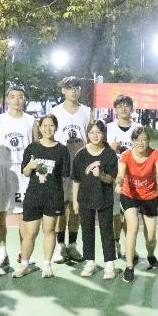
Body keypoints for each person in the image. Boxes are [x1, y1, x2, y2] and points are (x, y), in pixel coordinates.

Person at [13, 114, 71, 278]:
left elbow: (65, 176)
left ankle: (46, 265)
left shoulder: (62, 150)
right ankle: (24, 264)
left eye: (51, 125)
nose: (47, 128)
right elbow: (25, 173)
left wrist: (57, 193)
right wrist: (30, 166)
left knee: (49, 230)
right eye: (44, 125)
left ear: (56, 128)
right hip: (33, 196)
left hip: (53, 197)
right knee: (30, 233)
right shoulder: (32, 148)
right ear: (39, 128)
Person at [0, 85, 38, 268]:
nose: (17, 100)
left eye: (20, 96)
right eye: (13, 96)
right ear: (7, 99)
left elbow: (36, 147)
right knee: (1, 211)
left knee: (23, 213)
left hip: (24, 172)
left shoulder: (31, 121)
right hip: (4, 171)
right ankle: (2, 251)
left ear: (24, 99)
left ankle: (23, 251)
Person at [114, 127, 158, 283]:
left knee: (150, 236)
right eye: (137, 140)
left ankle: (151, 255)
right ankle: (129, 266)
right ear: (133, 141)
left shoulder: (155, 154)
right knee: (133, 227)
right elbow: (120, 174)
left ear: (148, 141)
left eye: (144, 139)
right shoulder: (126, 155)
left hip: (149, 196)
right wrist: (118, 183)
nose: (141, 142)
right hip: (129, 195)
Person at [48, 76, 91, 265]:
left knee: (76, 206)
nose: (73, 91)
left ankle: (72, 244)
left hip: (80, 165)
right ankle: (60, 245)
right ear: (63, 90)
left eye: (76, 87)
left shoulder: (87, 111)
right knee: (61, 205)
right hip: (61, 165)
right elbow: (49, 137)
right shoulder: (55, 111)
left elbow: (92, 137)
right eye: (69, 88)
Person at [72, 119, 119, 279]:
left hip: (104, 198)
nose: (95, 135)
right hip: (85, 199)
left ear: (103, 134)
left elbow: (111, 179)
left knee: (107, 231)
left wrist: (101, 175)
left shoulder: (109, 154)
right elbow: (76, 180)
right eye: (91, 132)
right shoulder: (80, 154)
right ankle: (90, 262)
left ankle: (109, 264)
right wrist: (75, 201)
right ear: (87, 134)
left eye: (98, 132)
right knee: (87, 231)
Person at [106, 94, 142, 260]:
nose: (123, 108)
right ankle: (116, 243)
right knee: (115, 214)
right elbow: (101, 154)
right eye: (120, 105)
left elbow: (144, 152)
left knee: (130, 214)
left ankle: (130, 245)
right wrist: (111, 149)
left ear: (132, 108)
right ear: (115, 109)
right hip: (114, 178)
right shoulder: (109, 128)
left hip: (133, 179)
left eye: (127, 105)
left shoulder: (138, 128)